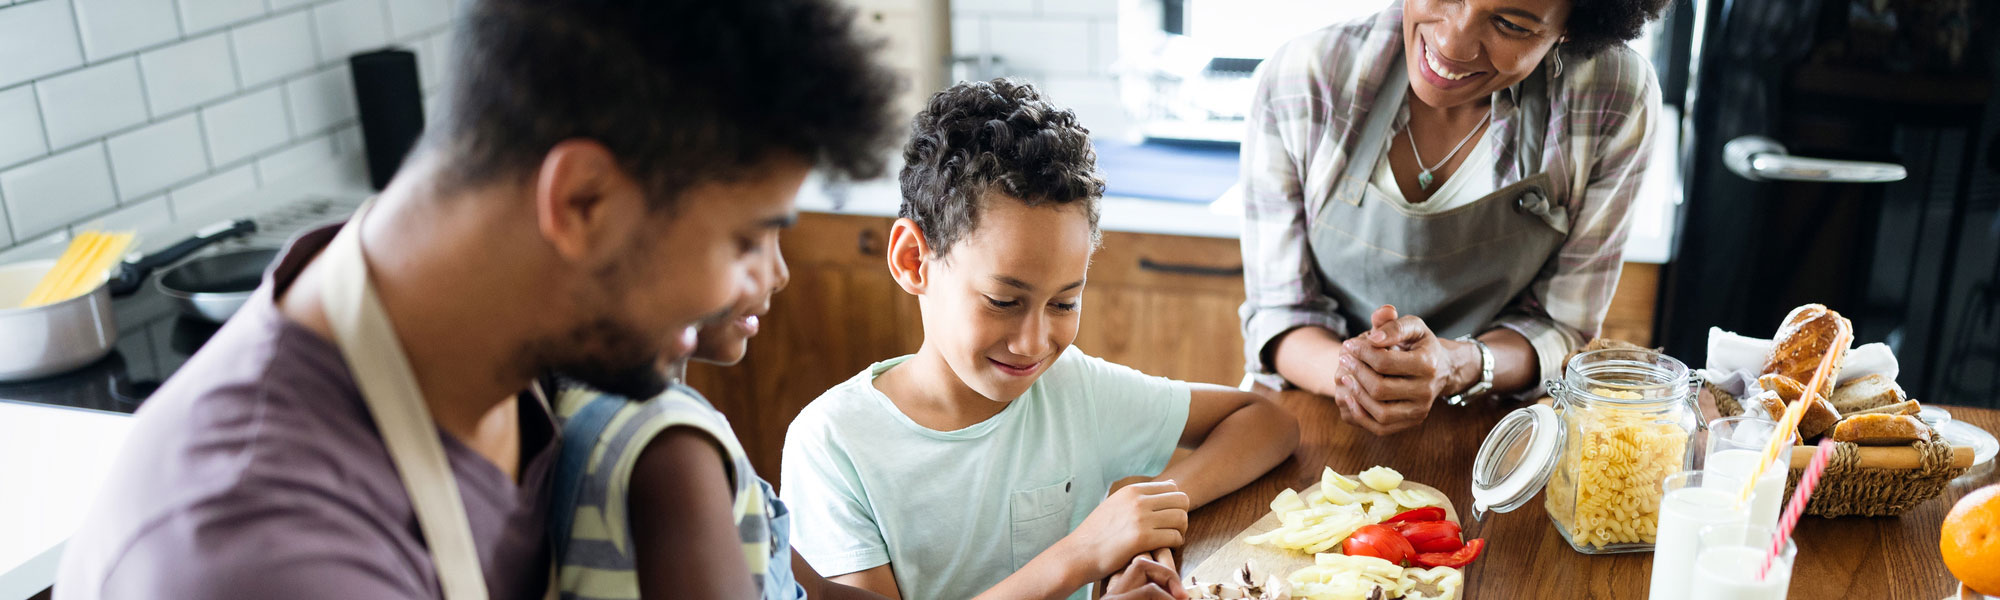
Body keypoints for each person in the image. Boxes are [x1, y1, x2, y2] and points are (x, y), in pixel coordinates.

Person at [53, 0, 899, 598]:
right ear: (581, 203)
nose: (757, 281)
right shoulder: (255, 553)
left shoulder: (522, 357)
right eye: (743, 239)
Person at [781, 79, 1300, 600]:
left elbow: (1267, 423)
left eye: (1064, 303)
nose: (1033, 344)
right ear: (913, 260)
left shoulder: (1076, 392)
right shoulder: (833, 445)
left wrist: (1146, 515)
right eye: (1003, 302)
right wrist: (1080, 554)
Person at [1238, 0, 1671, 435]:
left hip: (1496, 433)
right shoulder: (1305, 75)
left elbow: (1561, 326)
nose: (1451, 44)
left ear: (1571, 29)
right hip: (1313, 415)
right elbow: (1281, 310)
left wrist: (1456, 364)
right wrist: (1360, 378)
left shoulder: (1611, 95)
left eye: (1509, 24)